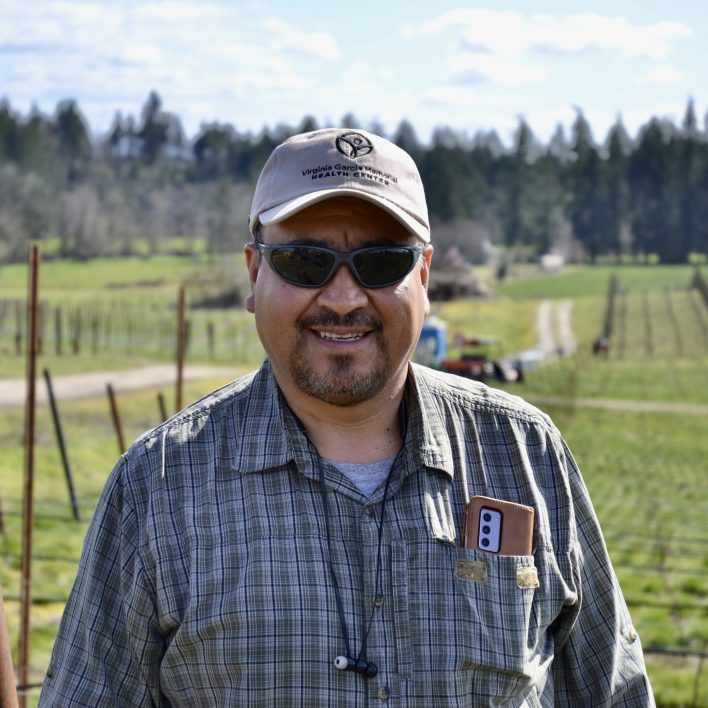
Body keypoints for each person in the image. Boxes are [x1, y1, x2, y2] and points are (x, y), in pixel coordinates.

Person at [39, 128, 654, 706]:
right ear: (255, 274)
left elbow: (615, 694)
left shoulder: (526, 454)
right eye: (305, 263)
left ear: (425, 275)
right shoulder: (157, 488)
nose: (342, 297)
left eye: (381, 263)